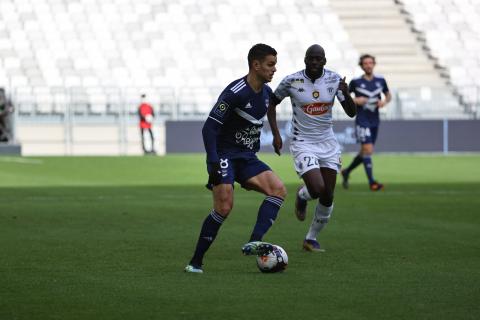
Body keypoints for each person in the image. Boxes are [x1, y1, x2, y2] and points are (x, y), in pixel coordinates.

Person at [185, 44, 287, 274]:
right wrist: (212, 160)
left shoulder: (266, 92)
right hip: (225, 156)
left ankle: (255, 242)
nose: (275, 69)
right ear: (256, 65)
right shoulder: (235, 92)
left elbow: (271, 107)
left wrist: (277, 134)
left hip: (247, 156)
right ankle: (195, 262)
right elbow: (209, 128)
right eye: (271, 64)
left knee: (278, 189)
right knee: (224, 207)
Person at [267, 44, 356, 252]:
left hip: (328, 144)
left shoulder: (335, 81)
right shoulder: (291, 81)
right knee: (317, 189)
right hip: (303, 143)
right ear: (305, 60)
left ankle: (310, 238)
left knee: (328, 195)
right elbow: (271, 104)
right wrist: (276, 134)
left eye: (319, 59)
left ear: (324, 61)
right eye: (311, 58)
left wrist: (347, 94)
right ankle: (303, 195)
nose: (315, 62)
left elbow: (352, 113)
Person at [341, 54, 391, 191]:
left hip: (375, 119)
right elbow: (344, 96)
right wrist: (356, 101)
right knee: (368, 150)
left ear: (374, 64)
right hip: (362, 119)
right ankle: (372, 183)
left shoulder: (381, 80)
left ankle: (346, 171)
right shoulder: (356, 82)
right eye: (365, 63)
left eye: (370, 63)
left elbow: (388, 95)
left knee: (365, 152)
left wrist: (384, 102)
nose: (368, 65)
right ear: (361, 66)